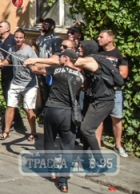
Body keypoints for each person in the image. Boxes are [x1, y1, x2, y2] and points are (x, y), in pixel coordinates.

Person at [25, 40, 117, 173]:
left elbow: (53, 64)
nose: (79, 49)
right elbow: (79, 78)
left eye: (81, 47)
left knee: (86, 129)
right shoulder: (80, 73)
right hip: (87, 100)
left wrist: (33, 61)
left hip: (102, 100)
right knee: (73, 137)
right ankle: (78, 165)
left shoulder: (89, 60)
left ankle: (101, 163)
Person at [28, 49, 84, 194]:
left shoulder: (57, 70)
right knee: (67, 147)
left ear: (66, 59)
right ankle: (63, 182)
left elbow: (36, 69)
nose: (59, 59)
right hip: (68, 114)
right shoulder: (80, 76)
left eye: (61, 57)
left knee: (49, 141)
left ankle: (52, 170)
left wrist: (29, 63)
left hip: (53, 109)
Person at [0, 29, 38, 141]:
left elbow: (36, 65)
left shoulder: (29, 51)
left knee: (28, 108)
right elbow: (7, 60)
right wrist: (0, 64)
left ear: (24, 38)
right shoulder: (12, 49)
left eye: (20, 38)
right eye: (16, 37)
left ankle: (33, 132)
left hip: (29, 84)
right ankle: (6, 131)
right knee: (10, 107)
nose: (18, 39)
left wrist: (30, 65)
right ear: (14, 38)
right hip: (16, 82)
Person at [95, 30, 129, 158]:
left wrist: (107, 76)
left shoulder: (118, 54)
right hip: (99, 91)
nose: (98, 38)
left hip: (115, 91)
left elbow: (124, 74)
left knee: (116, 118)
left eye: (101, 37)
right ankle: (97, 145)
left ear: (110, 39)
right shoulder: (97, 53)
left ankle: (118, 145)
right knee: (98, 118)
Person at [0, 20, 24, 133]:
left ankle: (8, 123)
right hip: (5, 74)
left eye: (0, 26)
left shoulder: (13, 39)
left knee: (13, 98)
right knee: (8, 97)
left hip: (15, 73)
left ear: (7, 28)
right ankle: (18, 121)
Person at [34, 18, 62, 117]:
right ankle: (43, 111)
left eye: (46, 24)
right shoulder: (41, 38)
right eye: (43, 24)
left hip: (50, 69)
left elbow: (57, 54)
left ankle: (49, 113)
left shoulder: (56, 39)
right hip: (40, 68)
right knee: (42, 90)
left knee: (50, 91)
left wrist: (50, 67)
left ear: (52, 27)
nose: (43, 25)